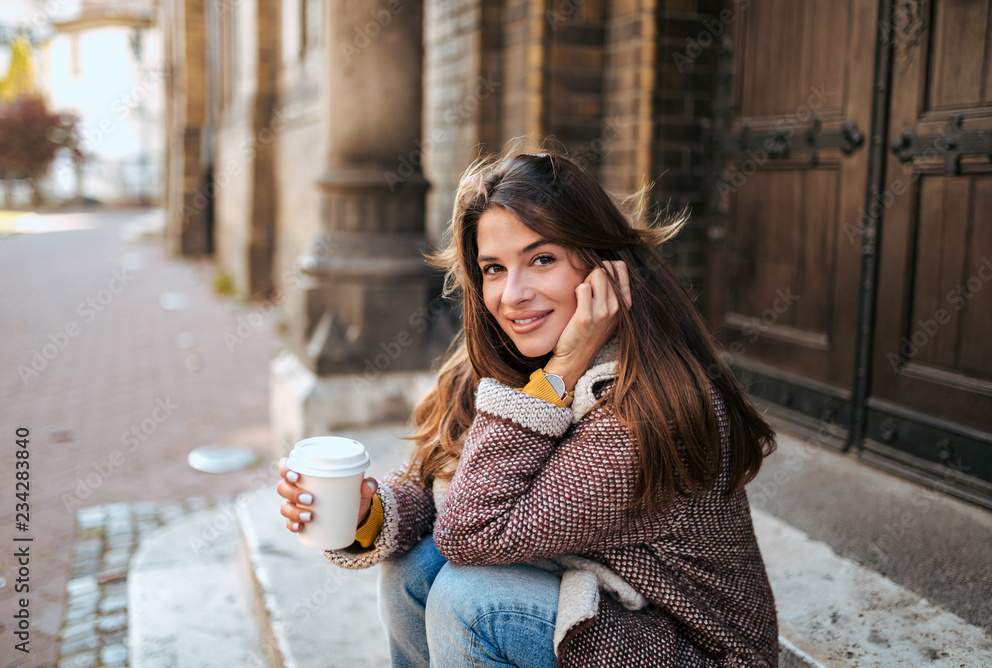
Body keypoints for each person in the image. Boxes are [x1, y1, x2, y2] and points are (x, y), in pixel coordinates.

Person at [277, 148, 779, 667]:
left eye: (542, 259)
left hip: (693, 651)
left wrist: (558, 374)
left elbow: (470, 528)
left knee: (470, 602)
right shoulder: (502, 367)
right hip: (609, 609)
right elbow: (439, 483)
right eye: (493, 269)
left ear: (604, 266)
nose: (512, 294)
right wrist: (366, 513)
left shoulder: (649, 411)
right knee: (414, 568)